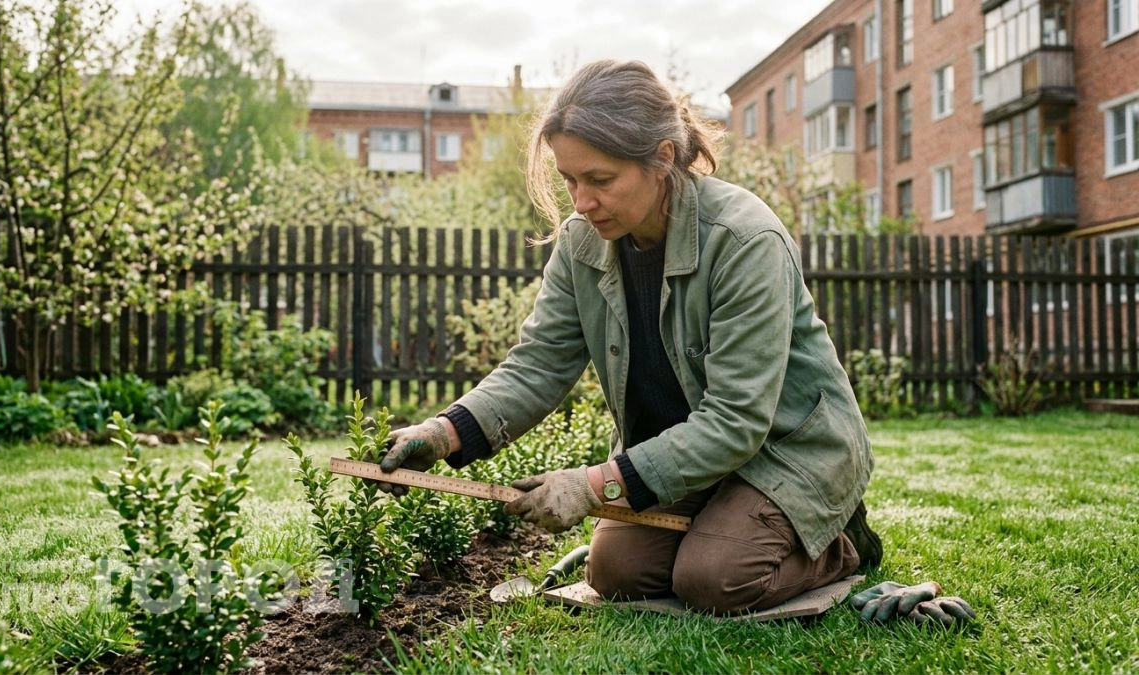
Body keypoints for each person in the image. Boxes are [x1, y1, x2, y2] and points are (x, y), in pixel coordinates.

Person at [378, 58, 882, 616]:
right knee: (616, 573)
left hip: (786, 452)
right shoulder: (581, 243)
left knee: (713, 580)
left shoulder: (743, 239)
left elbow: (737, 420)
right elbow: (539, 364)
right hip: (689, 457)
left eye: (600, 179)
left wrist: (594, 485)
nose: (581, 201)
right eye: (569, 179)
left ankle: (838, 545)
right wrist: (444, 432)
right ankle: (726, 522)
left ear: (662, 157)